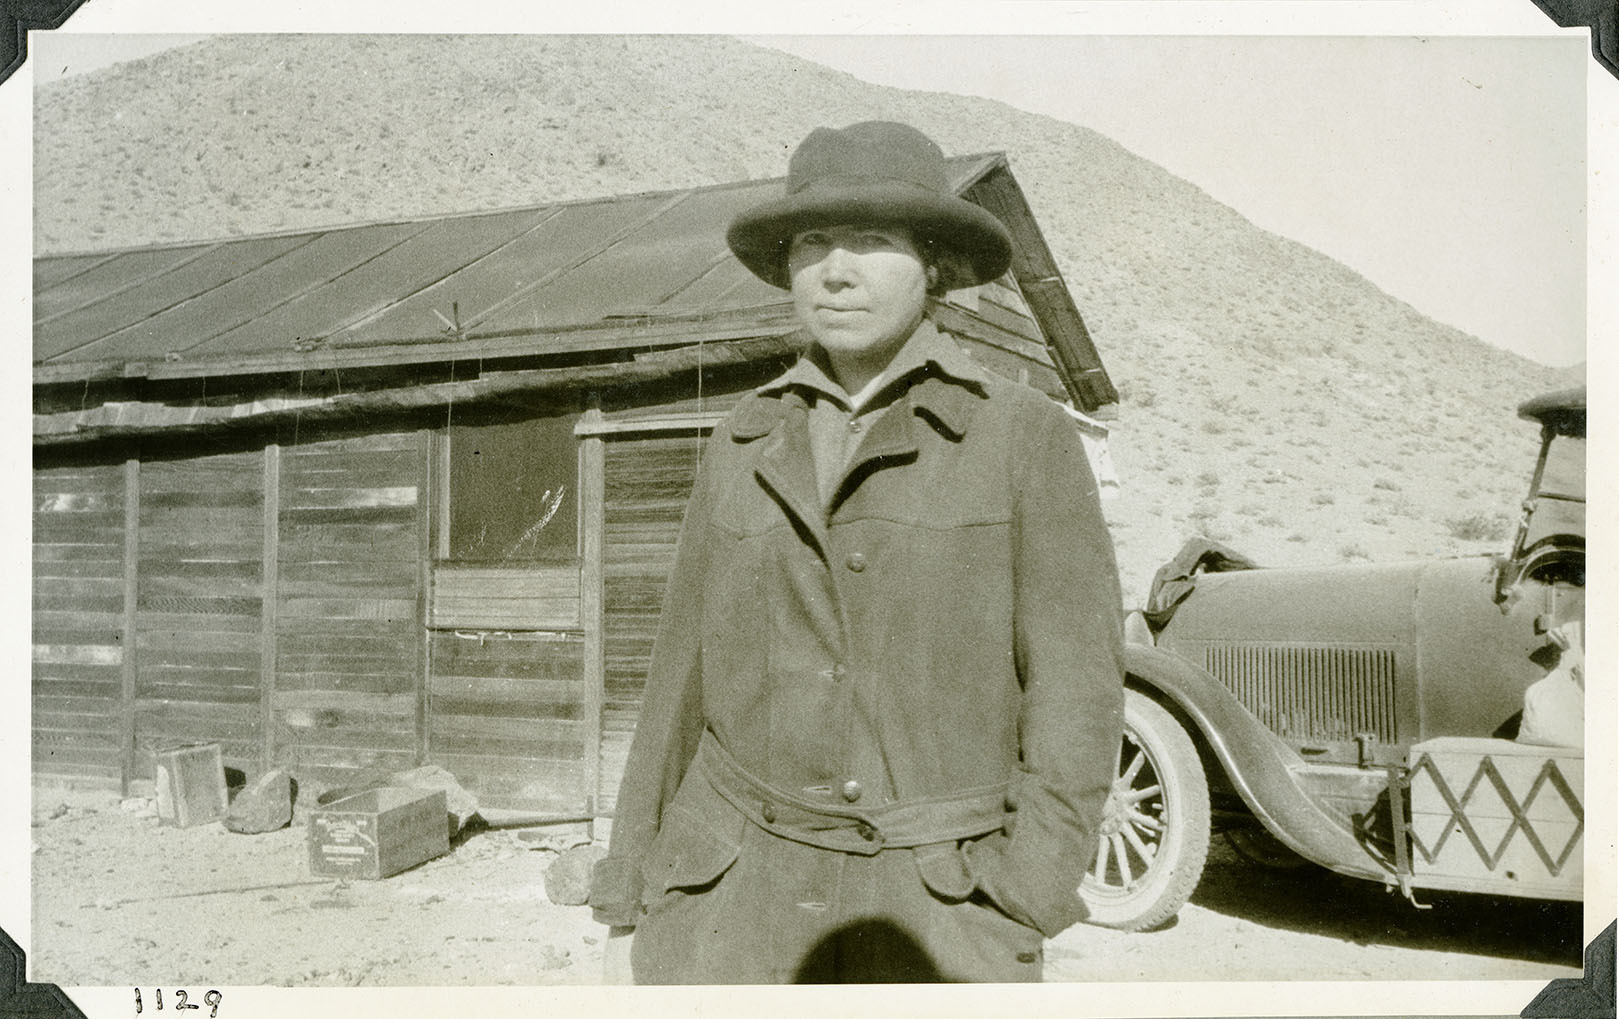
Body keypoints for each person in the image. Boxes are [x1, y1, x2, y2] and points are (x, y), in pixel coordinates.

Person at [588, 120, 1125, 983]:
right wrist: (627, 896)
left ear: (934, 266)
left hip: (935, 908)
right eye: (812, 243)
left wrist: (1028, 885)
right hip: (728, 896)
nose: (835, 271)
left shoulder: (1021, 435)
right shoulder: (741, 437)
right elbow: (674, 689)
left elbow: (1078, 688)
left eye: (871, 242)